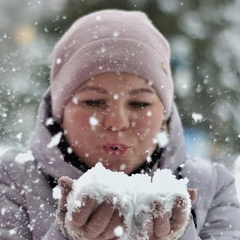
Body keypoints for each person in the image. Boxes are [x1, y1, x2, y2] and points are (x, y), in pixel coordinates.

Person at [0, 9, 240, 240]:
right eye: (93, 101)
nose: (117, 122)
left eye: (139, 103)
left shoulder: (211, 186)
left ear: (164, 114)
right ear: (60, 111)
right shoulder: (13, 180)